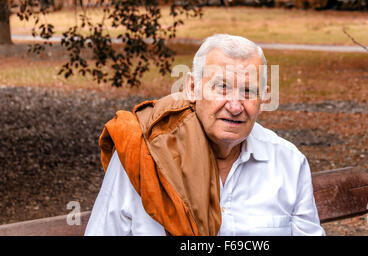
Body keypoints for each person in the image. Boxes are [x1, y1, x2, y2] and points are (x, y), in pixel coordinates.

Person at [85, 34, 325, 236]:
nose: (234, 105)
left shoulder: (288, 163)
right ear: (192, 87)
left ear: (264, 98)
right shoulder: (144, 153)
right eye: (221, 87)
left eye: (248, 91)